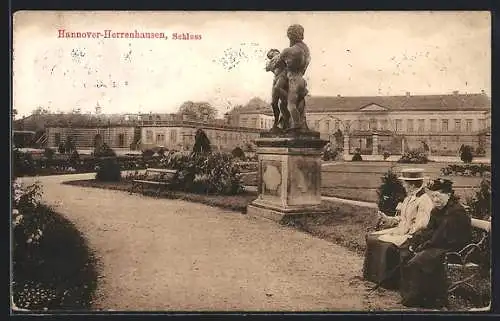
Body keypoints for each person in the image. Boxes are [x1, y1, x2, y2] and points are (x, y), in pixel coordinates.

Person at [399, 178, 472, 308]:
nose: (435, 200)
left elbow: (441, 236)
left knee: (420, 259)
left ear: (448, 195)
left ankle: (425, 298)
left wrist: (423, 246)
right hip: (439, 244)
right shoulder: (436, 210)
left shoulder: (455, 211)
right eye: (433, 196)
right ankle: (414, 295)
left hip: (454, 248)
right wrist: (416, 241)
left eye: (438, 196)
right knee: (406, 251)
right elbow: (429, 231)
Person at [363, 168, 434, 289]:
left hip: (411, 235)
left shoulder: (424, 200)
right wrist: (387, 218)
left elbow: (422, 224)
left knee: (384, 244)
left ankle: (387, 281)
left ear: (412, 185)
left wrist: (405, 233)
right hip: (400, 230)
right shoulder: (408, 198)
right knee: (372, 237)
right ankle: (372, 276)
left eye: (405, 183)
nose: (404, 186)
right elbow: (401, 219)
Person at [265, 48, 289, 131]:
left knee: (278, 90)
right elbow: (267, 68)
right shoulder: (274, 59)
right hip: (276, 78)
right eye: (269, 57)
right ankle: (276, 121)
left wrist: (273, 63)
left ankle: (284, 120)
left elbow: (271, 65)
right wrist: (273, 63)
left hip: (283, 76)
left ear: (273, 52)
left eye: (270, 55)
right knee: (273, 102)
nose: (269, 57)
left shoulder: (280, 55)